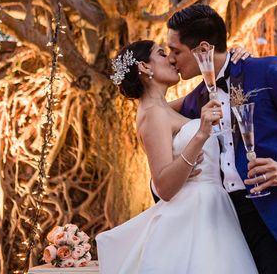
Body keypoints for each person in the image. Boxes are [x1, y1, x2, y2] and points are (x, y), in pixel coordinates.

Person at [168, 4, 277, 274]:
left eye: (175, 51)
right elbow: (155, 114)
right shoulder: (197, 99)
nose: (171, 59)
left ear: (203, 48)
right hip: (226, 227)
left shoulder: (268, 71)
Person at [97, 40, 258, 274]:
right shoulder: (152, 115)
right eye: (162, 54)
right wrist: (201, 135)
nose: (172, 58)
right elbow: (163, 186)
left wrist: (234, 58)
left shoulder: (163, 109)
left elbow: (213, 87)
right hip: (192, 216)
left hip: (214, 208)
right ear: (144, 66)